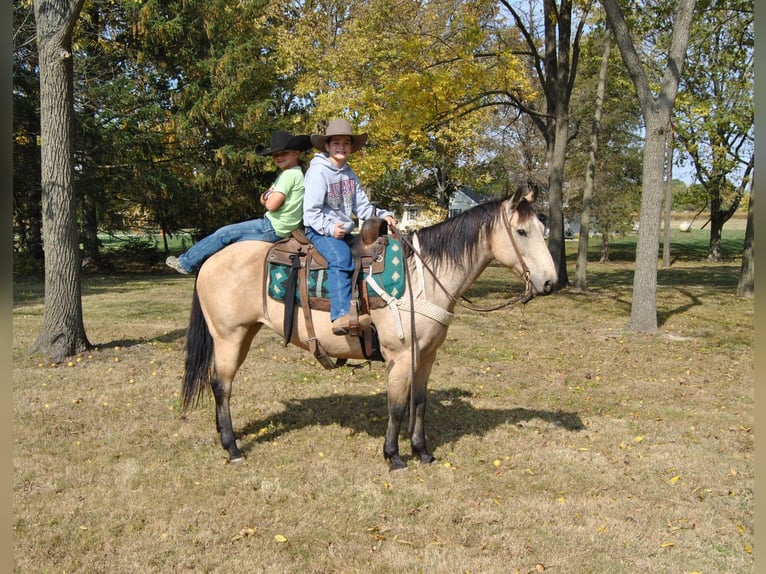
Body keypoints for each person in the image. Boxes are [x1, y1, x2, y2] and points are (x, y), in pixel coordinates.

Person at [165, 130, 312, 274]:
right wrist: (267, 196)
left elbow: (270, 204)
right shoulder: (298, 174)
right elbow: (265, 196)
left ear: (297, 153)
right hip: (283, 228)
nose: (279, 157)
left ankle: (186, 263)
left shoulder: (288, 175)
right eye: (275, 154)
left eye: (284, 153)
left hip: (271, 226)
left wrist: (267, 197)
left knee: (224, 234)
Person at [303, 118, 397, 335]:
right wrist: (329, 229)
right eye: (336, 143)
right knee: (341, 259)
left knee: (371, 254)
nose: (341, 147)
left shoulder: (349, 174)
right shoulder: (318, 172)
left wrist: (384, 216)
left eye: (346, 143)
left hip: (343, 231)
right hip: (319, 230)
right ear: (327, 146)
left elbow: (363, 208)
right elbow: (310, 213)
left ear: (351, 147)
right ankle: (340, 316)